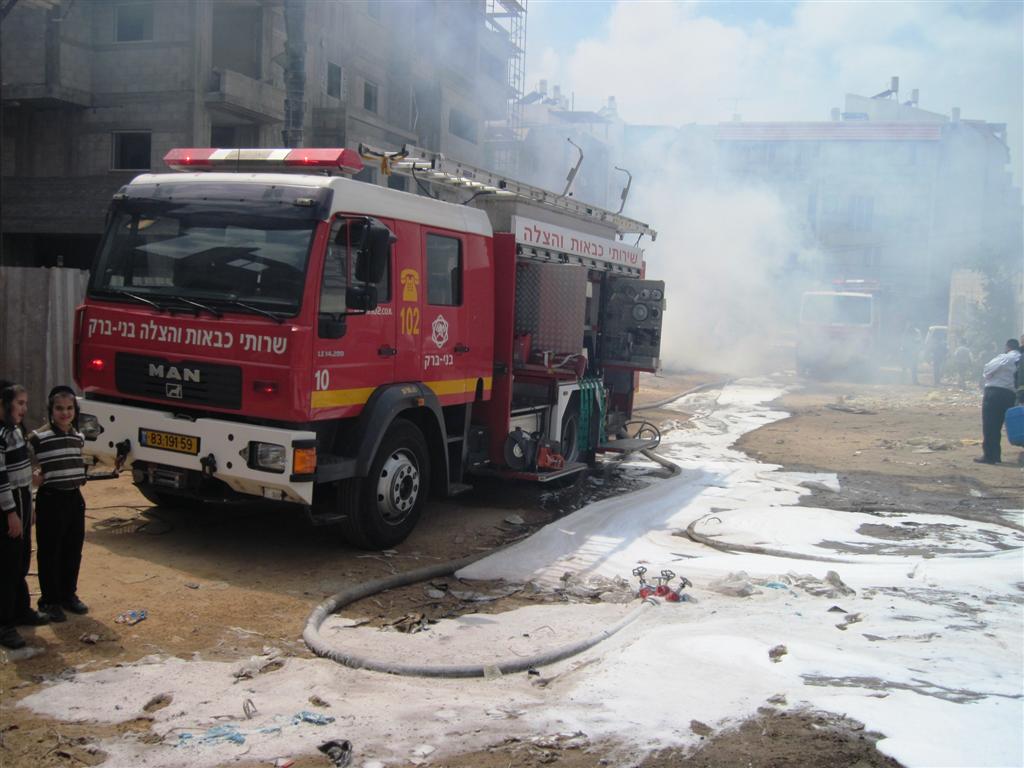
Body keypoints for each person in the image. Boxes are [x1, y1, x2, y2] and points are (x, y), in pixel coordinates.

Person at [29, 386, 90, 622]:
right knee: (50, 552)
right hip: (51, 499)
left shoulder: (78, 437)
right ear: (50, 410)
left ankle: (68, 595)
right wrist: (31, 476)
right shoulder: (38, 438)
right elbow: (18, 463)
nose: (64, 413)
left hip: (74, 498)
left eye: (69, 408)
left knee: (73, 550)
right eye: (59, 409)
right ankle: (49, 600)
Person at [0, 382, 49, 650]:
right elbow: (1, 480)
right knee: (7, 568)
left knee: (20, 562)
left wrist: (31, 485)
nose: (23, 409)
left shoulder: (16, 431)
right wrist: (11, 514)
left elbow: (18, 472)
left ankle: (21, 611)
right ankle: (5, 625)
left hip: (22, 501)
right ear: (4, 404)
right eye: (19, 403)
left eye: (25, 404)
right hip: (8, 508)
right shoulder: (1, 434)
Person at [976, 339, 1021, 464]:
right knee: (1015, 425)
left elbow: (987, 370)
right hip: (1012, 395)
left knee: (991, 425)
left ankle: (991, 455)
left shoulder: (1005, 357)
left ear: (1008, 347)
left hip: (995, 393)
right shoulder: (1020, 359)